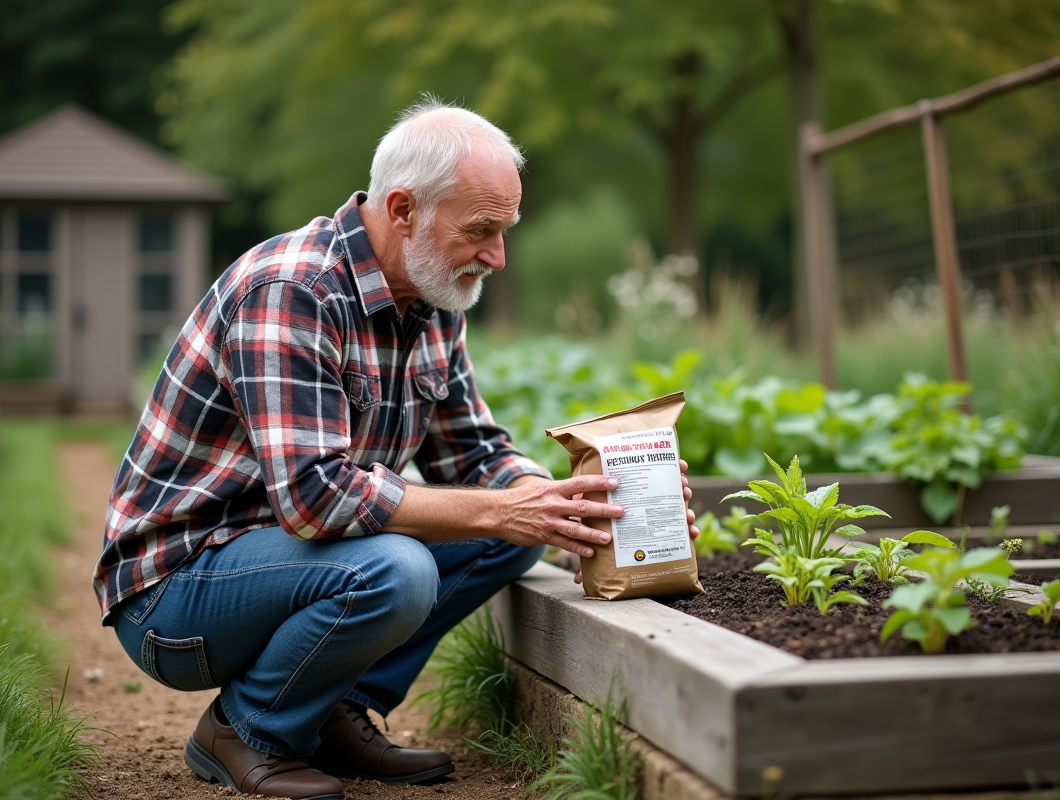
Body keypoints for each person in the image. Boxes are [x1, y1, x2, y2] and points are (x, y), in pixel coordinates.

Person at [94, 98, 698, 800]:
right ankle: (245, 729)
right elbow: (315, 498)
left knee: (507, 535)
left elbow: (475, 454)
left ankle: (331, 711)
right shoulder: (293, 289)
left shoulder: (435, 296)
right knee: (399, 568)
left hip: (287, 559)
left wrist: (582, 507)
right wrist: (503, 510)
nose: (497, 256)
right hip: (175, 594)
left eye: (506, 231)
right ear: (405, 208)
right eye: (481, 231)